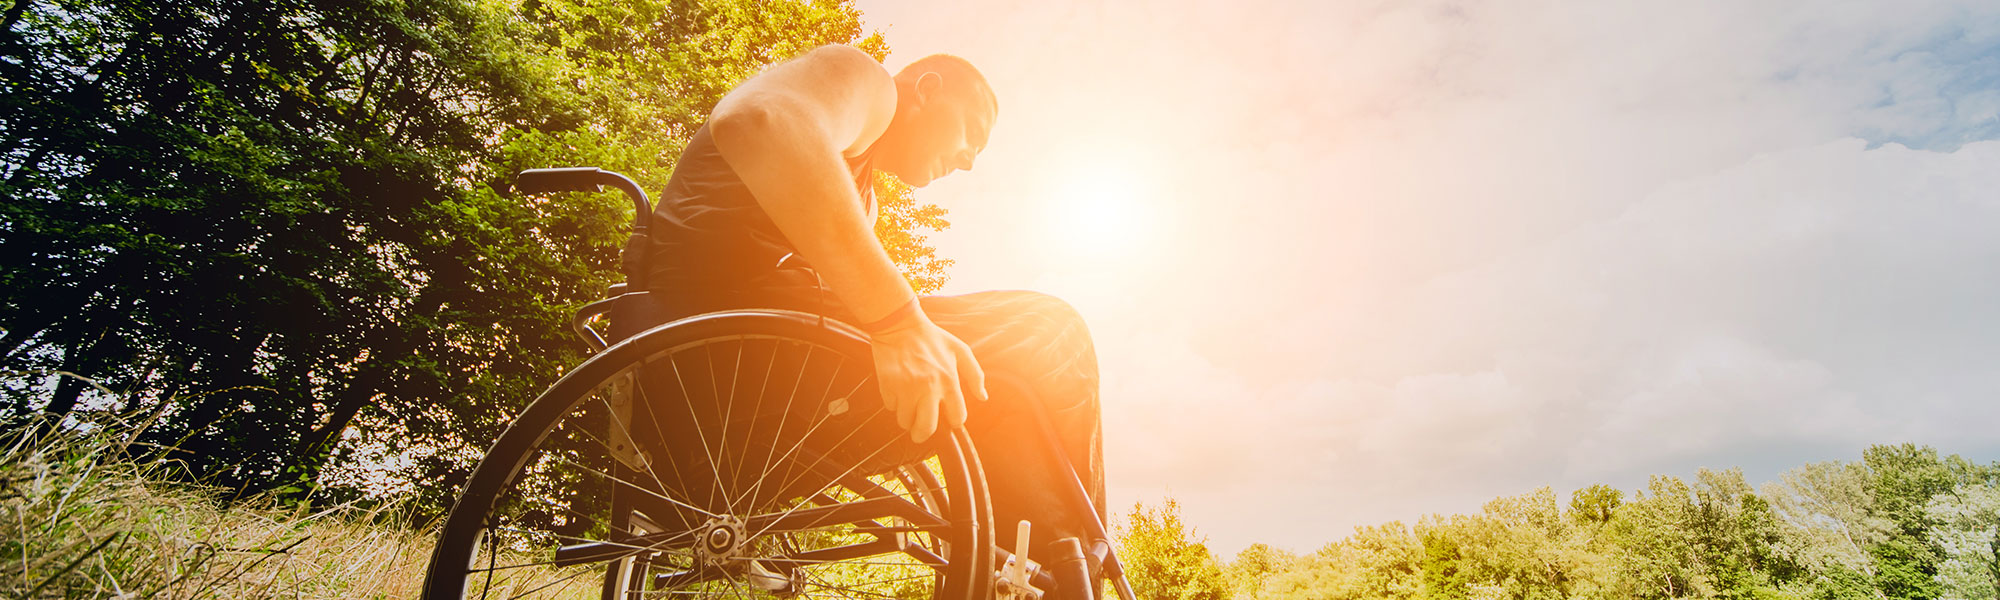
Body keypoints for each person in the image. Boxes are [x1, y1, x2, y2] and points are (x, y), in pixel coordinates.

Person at [640, 44, 1107, 591]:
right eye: (971, 133)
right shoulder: (869, 84)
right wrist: (899, 323)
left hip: (739, 390)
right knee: (1049, 330)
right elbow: (757, 120)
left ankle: (1021, 573)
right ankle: (1080, 577)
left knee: (993, 389)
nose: (969, 161)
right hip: (738, 356)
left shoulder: (860, 197)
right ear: (927, 89)